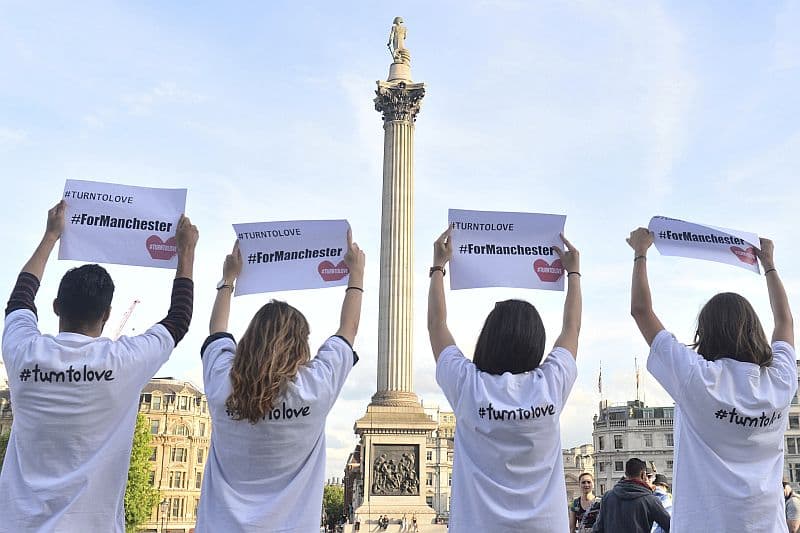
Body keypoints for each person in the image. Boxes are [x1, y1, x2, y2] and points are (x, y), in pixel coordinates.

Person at [0, 200, 198, 532]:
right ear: (107, 315)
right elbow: (179, 318)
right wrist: (186, 253)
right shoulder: (122, 361)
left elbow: (20, 298)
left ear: (56, 306)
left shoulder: (23, 351)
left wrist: (50, 236)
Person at [628, 228, 795, 532]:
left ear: (704, 334)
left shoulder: (698, 377)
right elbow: (785, 320)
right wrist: (769, 265)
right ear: (754, 331)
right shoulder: (780, 381)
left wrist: (641, 252)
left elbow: (641, 311)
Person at [195, 233, 364, 533]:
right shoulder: (314, 388)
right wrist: (357, 275)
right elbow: (348, 329)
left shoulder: (223, 384)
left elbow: (216, 330)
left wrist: (228, 279)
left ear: (249, 340)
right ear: (301, 345)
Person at [427, 227, 582, 532]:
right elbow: (571, 329)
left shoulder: (468, 386)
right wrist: (573, 274)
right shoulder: (549, 384)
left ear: (488, 337)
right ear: (536, 343)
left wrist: (437, 268)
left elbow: (437, 325)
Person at [592, 458, 670, 533]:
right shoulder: (651, 500)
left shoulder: (607, 496)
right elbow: (670, 526)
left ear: (626, 474)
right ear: (643, 474)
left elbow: (598, 528)